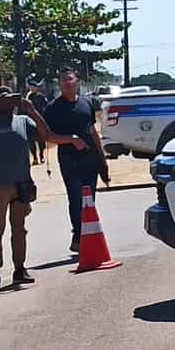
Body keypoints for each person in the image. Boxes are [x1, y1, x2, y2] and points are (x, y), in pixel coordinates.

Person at [0, 86, 53, 291]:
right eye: (3, 99)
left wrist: (31, 109)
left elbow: (45, 135)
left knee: (19, 229)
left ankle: (19, 269)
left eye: (11, 99)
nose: (8, 103)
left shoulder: (23, 121)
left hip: (21, 183)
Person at [43, 68, 109, 252]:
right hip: (69, 161)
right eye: (63, 80)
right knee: (76, 198)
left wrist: (102, 161)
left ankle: (87, 237)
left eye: (70, 79)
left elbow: (93, 132)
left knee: (90, 200)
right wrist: (71, 140)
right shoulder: (53, 108)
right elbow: (48, 136)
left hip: (90, 160)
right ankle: (79, 236)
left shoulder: (86, 105)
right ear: (59, 84)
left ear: (77, 81)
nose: (67, 83)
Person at [25, 78, 49, 166]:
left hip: (40, 120)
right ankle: (35, 157)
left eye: (33, 87)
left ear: (36, 87)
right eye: (30, 86)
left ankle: (41, 155)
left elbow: (46, 107)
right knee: (31, 140)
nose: (32, 88)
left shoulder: (41, 97)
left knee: (41, 139)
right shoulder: (27, 97)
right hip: (29, 120)